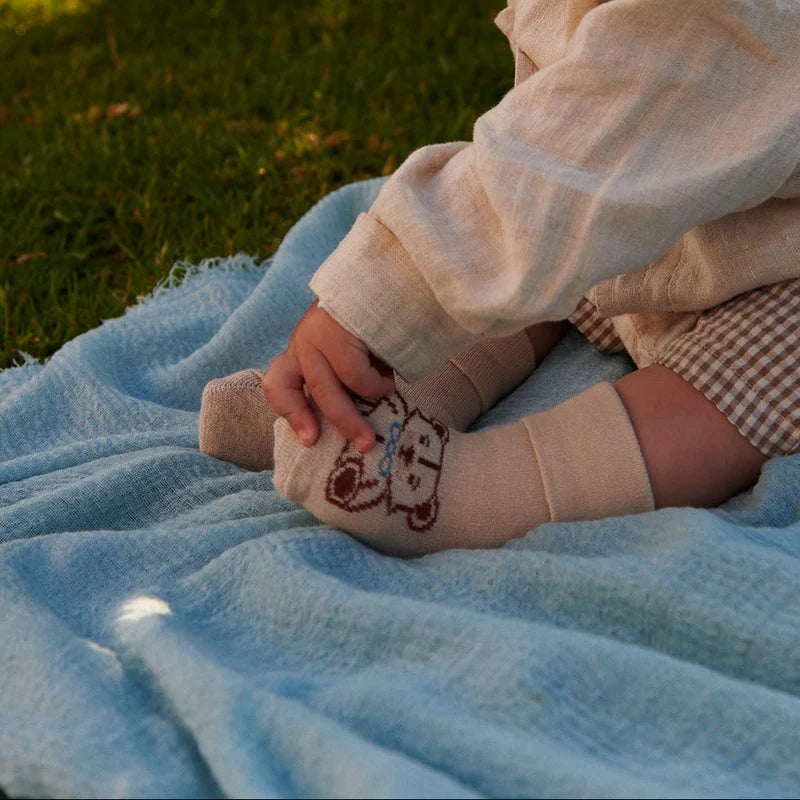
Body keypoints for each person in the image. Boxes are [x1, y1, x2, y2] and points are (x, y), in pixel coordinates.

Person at [200, 0, 800, 557]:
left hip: (779, 258)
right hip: (661, 204)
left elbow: (599, 134)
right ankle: (382, 399)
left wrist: (383, 295)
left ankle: (487, 487)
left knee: (762, 361)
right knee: (542, 248)